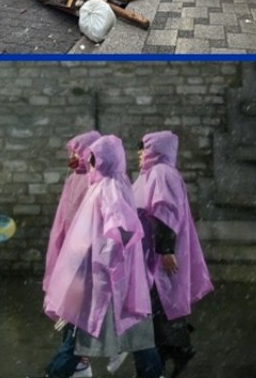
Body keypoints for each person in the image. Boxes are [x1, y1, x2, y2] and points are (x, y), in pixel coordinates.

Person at [34, 135, 163, 378]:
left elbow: (121, 229)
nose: (90, 163)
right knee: (132, 328)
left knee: (83, 329)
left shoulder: (110, 187)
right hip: (110, 275)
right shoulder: (110, 183)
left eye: (94, 158)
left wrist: (107, 260)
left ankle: (57, 373)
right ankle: (152, 373)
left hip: (104, 275)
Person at [132, 131, 213, 377]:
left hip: (156, 255)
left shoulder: (160, 174)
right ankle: (171, 352)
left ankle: (173, 351)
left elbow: (164, 212)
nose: (139, 154)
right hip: (150, 253)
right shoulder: (152, 174)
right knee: (159, 306)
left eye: (144, 148)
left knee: (158, 305)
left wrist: (165, 250)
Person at [42, 131, 101, 378]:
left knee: (77, 313)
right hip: (72, 257)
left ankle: (70, 362)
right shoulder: (74, 180)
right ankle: (77, 361)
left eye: (78, 152)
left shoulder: (94, 182)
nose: (73, 157)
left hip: (82, 257)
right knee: (72, 311)